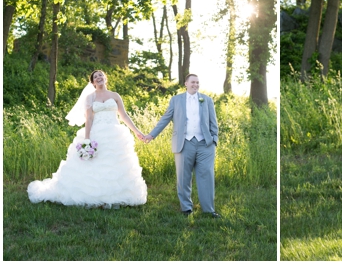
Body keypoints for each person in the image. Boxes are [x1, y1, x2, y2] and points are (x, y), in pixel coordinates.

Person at [28, 70, 148, 207]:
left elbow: (124, 116)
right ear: (92, 82)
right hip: (97, 133)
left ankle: (114, 196)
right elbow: (89, 118)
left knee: (114, 164)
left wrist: (137, 132)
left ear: (105, 78)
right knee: (95, 165)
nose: (98, 78)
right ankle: (95, 196)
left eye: (101, 75)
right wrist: (87, 139)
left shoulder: (115, 96)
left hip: (115, 133)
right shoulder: (90, 97)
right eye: (95, 77)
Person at [144, 74, 221, 218]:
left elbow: (213, 122)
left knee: (206, 176)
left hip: (205, 144)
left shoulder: (207, 100)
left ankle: (209, 210)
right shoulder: (176, 100)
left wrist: (214, 140)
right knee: (183, 177)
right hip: (184, 143)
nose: (195, 85)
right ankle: (186, 208)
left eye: (197, 82)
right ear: (185, 83)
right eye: (193, 82)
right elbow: (165, 119)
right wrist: (151, 135)